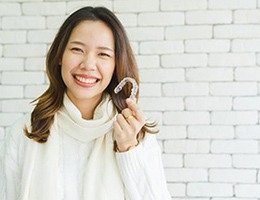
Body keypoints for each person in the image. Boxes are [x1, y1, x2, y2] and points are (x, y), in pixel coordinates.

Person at [0, 6, 171, 200]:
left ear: (116, 65)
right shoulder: (25, 132)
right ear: (59, 57)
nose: (88, 64)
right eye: (77, 49)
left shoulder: (136, 134)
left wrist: (128, 149)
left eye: (103, 54)